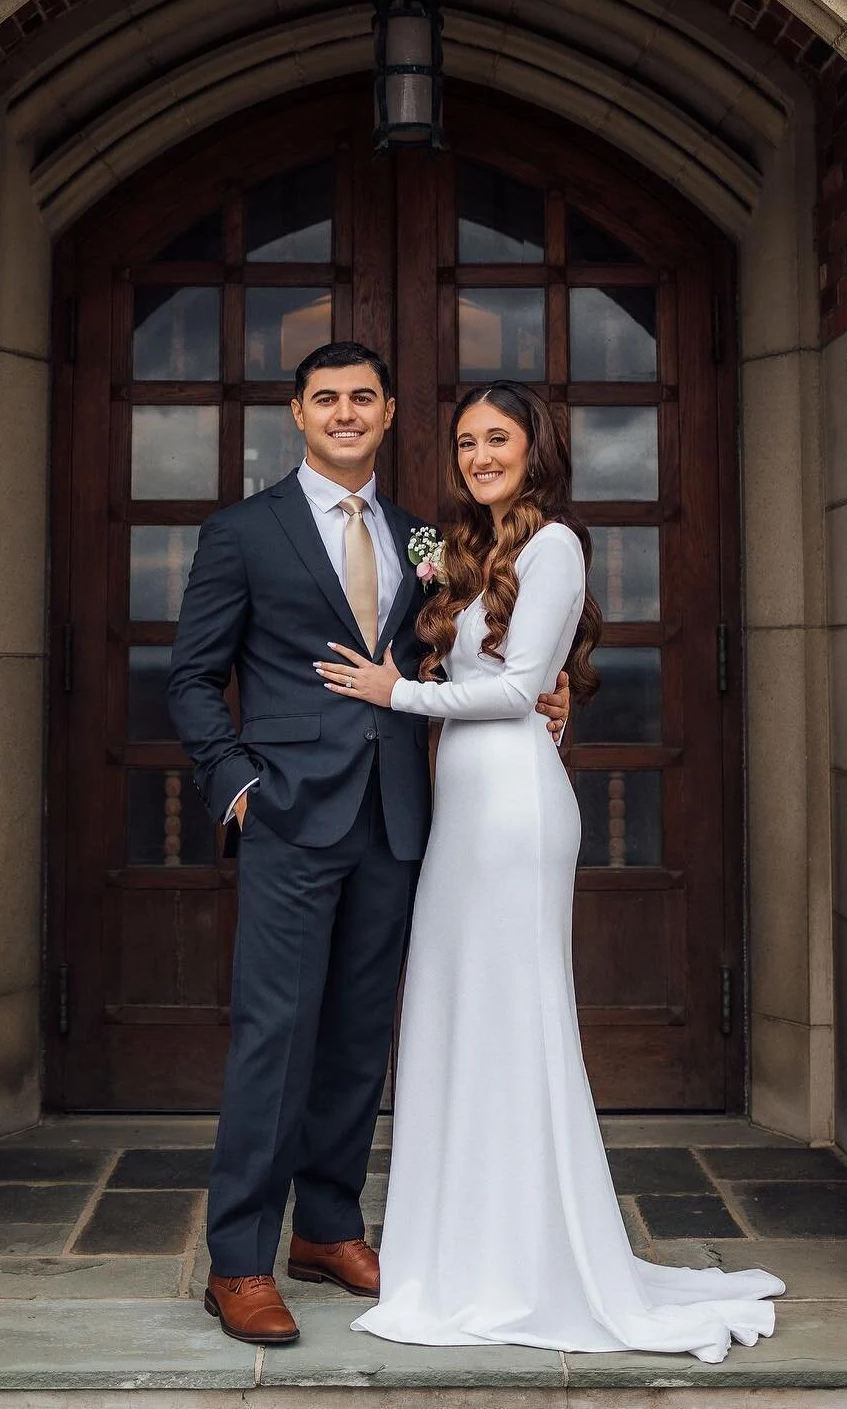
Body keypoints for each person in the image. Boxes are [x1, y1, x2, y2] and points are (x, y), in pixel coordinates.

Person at [317, 380, 785, 1364]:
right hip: (462, 807)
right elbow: (381, 565)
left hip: (518, 806)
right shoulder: (447, 545)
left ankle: (533, 1256)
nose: (481, 454)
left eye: (499, 438)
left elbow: (520, 688)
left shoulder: (556, 543)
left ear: (536, 448)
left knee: (516, 1015)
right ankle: (461, 1243)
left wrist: (392, 689)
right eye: (464, 441)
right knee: (458, 1013)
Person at [167, 344, 570, 1347]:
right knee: (276, 1037)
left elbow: (491, 643)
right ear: (298, 413)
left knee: (357, 1035)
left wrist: (554, 689)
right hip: (292, 817)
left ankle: (330, 1225)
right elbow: (189, 676)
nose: (345, 413)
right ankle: (240, 1258)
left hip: (399, 817)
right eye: (326, 399)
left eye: (363, 398)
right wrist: (239, 786)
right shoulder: (242, 530)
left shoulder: (430, 537)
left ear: (389, 412)